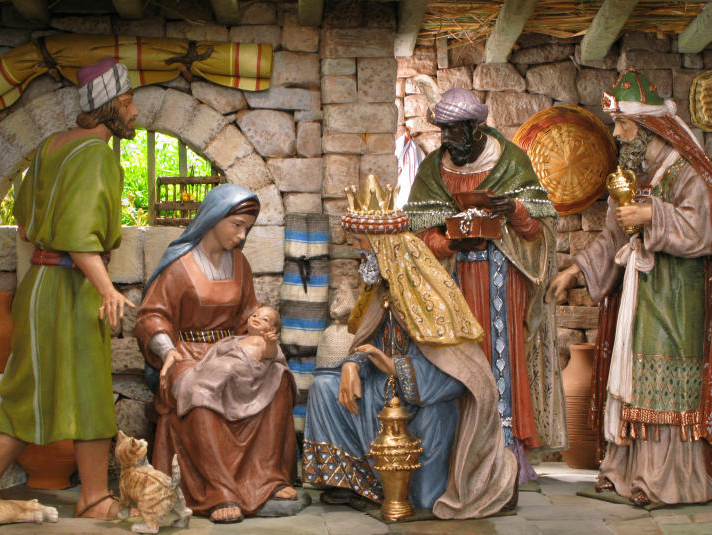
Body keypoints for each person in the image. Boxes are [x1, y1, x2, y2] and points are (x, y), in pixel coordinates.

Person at [0, 57, 137, 520]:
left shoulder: (50, 146)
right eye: (128, 102)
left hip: (37, 287)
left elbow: (25, 226)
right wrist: (106, 289)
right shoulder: (97, 154)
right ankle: (93, 498)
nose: (134, 112)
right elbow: (79, 236)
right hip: (72, 287)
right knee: (90, 388)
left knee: (28, 387)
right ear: (109, 106)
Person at [303, 175, 517, 519]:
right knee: (325, 387)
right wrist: (353, 363)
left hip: (424, 402)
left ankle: (411, 492)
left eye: (360, 241)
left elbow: (457, 376)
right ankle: (355, 483)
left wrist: (396, 367)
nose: (357, 249)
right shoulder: (382, 289)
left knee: (425, 484)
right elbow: (367, 342)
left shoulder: (429, 297)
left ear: (382, 246)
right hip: (382, 391)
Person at [548, 68, 712, 506]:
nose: (618, 135)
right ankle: (628, 472)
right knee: (635, 381)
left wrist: (653, 215)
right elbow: (612, 238)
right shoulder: (636, 174)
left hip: (677, 296)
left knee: (665, 385)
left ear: (648, 126)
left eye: (623, 124)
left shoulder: (687, 170)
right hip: (641, 293)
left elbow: (703, 228)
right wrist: (574, 271)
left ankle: (668, 480)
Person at [402, 87, 565, 483]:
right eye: (442, 130)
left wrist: (516, 210)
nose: (445, 139)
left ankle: (505, 454)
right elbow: (419, 232)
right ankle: (458, 455)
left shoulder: (511, 162)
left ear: (476, 128)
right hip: (452, 283)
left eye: (453, 130)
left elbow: (539, 233)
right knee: (458, 362)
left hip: (502, 281)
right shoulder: (433, 169)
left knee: (500, 358)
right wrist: (449, 244)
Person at [135, 184, 297, 523]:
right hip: (186, 355)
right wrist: (167, 352)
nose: (241, 235)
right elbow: (152, 316)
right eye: (236, 225)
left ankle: (268, 478)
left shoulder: (240, 264)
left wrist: (263, 339)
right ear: (214, 218)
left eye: (246, 229)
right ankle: (218, 490)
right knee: (199, 391)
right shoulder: (179, 266)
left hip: (232, 350)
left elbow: (248, 313)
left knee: (279, 378)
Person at [172, 306, 292, 422]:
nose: (257, 318)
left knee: (226, 368)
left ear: (272, 330)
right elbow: (218, 351)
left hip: (243, 369)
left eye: (264, 319)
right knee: (212, 368)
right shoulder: (237, 339)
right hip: (224, 363)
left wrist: (270, 343)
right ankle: (198, 387)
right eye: (254, 315)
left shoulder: (265, 342)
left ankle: (205, 391)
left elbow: (271, 354)